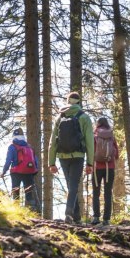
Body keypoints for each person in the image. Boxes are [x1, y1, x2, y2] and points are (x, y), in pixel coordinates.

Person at [48, 92, 94, 223]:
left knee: (71, 186)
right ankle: (68, 214)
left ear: (68, 102)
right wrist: (90, 163)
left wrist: (51, 162)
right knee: (73, 186)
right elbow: (90, 141)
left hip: (63, 156)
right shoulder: (84, 117)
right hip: (78, 156)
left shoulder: (60, 117)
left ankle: (77, 217)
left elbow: (53, 142)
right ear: (79, 102)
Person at [1, 128, 39, 211]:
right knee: (29, 193)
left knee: (16, 191)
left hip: (16, 172)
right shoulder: (29, 147)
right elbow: (35, 160)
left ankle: (16, 210)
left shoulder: (12, 146)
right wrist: (34, 171)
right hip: (29, 172)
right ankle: (32, 210)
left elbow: (8, 160)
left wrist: (4, 171)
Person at [90, 117, 118, 226]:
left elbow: (91, 150)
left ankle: (96, 217)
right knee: (108, 193)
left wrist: (89, 163)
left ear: (98, 124)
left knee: (96, 193)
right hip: (109, 168)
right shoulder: (111, 135)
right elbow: (116, 154)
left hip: (96, 168)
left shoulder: (94, 135)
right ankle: (106, 219)